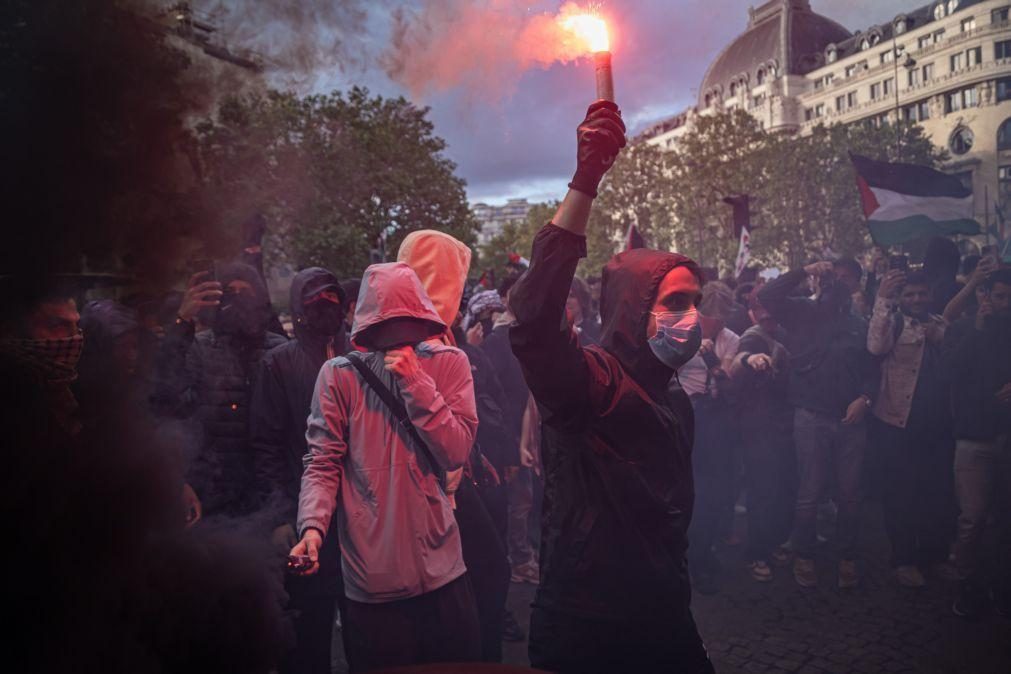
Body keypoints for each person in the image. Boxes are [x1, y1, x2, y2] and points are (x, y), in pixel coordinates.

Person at [510, 100, 713, 673]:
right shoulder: (591, 386)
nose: (691, 316)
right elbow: (532, 317)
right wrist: (587, 178)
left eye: (696, 302)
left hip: (665, 614)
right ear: (633, 309)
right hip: (587, 627)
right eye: (675, 302)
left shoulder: (675, 397)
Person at [290, 261, 481, 672]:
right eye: (387, 322)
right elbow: (322, 462)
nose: (398, 333)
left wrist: (417, 383)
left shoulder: (450, 364)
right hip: (372, 580)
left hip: (443, 569)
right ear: (369, 324)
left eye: (407, 320)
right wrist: (312, 528)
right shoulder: (338, 377)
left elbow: (456, 451)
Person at [398, 229, 512, 662]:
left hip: (446, 484)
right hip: (436, 487)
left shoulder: (434, 340)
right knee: (481, 580)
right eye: (454, 280)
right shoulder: (421, 347)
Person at [249, 267, 348, 674]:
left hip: (360, 518)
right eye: (315, 300)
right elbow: (266, 443)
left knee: (366, 624)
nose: (326, 307)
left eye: (332, 299)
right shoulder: (279, 363)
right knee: (309, 628)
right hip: (303, 512)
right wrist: (279, 515)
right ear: (298, 309)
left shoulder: (358, 355)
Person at [758, 258, 878, 589]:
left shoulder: (858, 324)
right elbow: (767, 295)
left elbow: (872, 369)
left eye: (842, 281)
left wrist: (865, 399)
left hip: (850, 419)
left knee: (850, 494)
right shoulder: (801, 314)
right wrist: (805, 269)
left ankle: (847, 556)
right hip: (810, 415)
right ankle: (805, 555)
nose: (834, 285)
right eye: (830, 280)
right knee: (809, 492)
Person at [151, 261, 287, 517]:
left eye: (244, 292)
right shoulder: (199, 348)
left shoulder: (278, 350)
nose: (237, 300)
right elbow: (168, 396)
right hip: (213, 490)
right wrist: (183, 321)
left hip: (268, 494)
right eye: (229, 292)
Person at [867, 269, 953, 588]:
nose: (917, 299)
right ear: (902, 299)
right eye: (910, 295)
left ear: (930, 295)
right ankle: (903, 559)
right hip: (897, 421)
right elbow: (875, 346)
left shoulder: (941, 324)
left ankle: (935, 555)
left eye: (921, 294)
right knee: (901, 493)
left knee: (936, 493)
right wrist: (883, 298)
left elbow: (956, 360)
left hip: (938, 423)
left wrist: (940, 338)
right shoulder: (894, 322)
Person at [944, 267, 1011, 619]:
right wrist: (979, 328)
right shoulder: (965, 329)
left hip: (1007, 436)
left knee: (1004, 521)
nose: (1005, 304)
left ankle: (999, 584)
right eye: (999, 296)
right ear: (985, 296)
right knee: (972, 519)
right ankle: (966, 582)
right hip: (973, 438)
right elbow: (952, 369)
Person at [676, 281, 741, 595]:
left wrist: (713, 359)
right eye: (707, 319)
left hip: (716, 419)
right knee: (688, 490)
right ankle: (687, 558)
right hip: (684, 414)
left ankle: (703, 553)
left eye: (718, 320)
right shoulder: (679, 330)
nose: (712, 325)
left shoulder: (731, 340)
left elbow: (729, 385)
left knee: (714, 492)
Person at [729, 289, 794, 582]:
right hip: (758, 426)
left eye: (769, 307)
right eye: (759, 308)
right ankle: (756, 551)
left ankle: (772, 542)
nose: (766, 313)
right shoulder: (753, 337)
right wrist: (750, 360)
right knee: (762, 489)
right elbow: (740, 358)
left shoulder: (785, 332)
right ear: (752, 311)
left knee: (780, 487)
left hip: (781, 424)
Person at [482, 276, 540, 589]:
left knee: (524, 500)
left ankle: (520, 557)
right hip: (506, 437)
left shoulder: (523, 335)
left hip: (524, 430)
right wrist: (511, 443)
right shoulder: (497, 340)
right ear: (506, 298)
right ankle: (517, 561)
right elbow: (496, 399)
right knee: (517, 502)